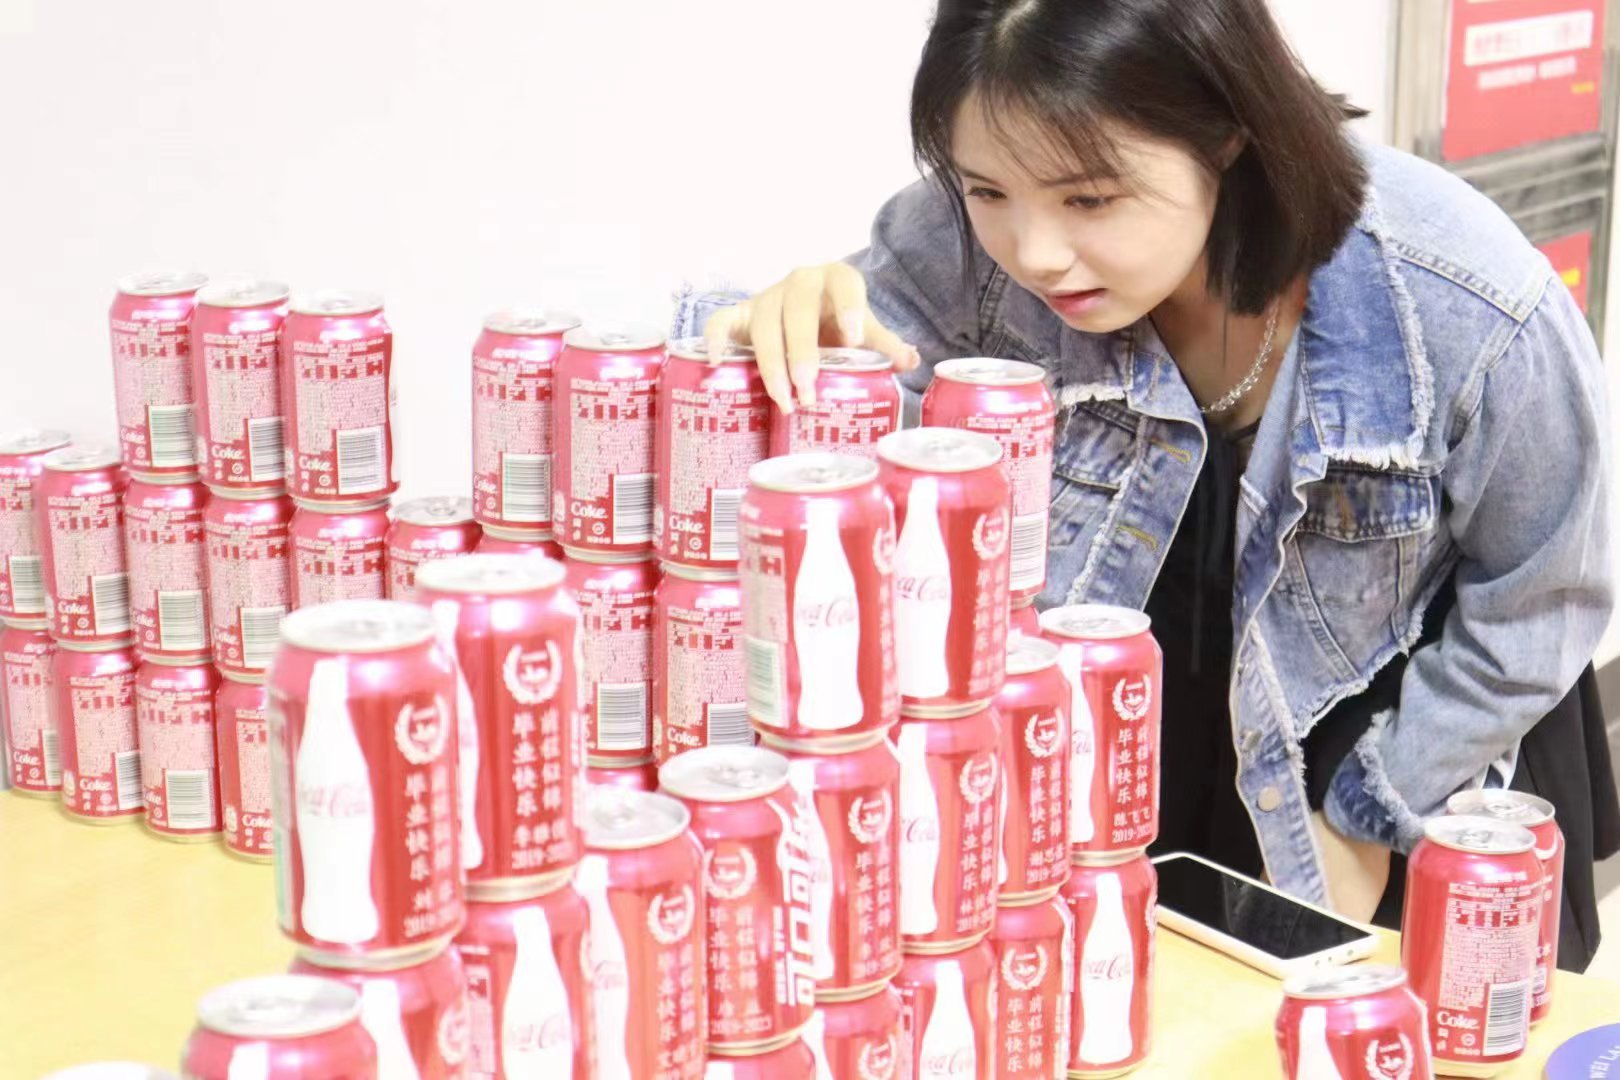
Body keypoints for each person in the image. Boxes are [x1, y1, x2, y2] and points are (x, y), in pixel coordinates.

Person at [693, 0, 1620, 969]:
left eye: (1090, 200)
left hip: (1401, 743)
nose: (1035, 251)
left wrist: (1369, 809)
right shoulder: (959, 243)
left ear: (1225, 134)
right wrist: (785, 335)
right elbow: (855, 405)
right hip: (1132, 739)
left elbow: (1542, 601)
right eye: (986, 189)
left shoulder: (1461, 298)